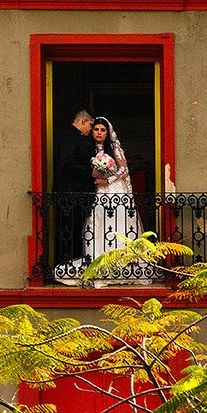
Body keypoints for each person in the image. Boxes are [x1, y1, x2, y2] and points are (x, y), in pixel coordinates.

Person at [53, 112, 160, 286]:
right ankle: (97, 262)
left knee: (117, 224)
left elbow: (124, 169)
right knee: (97, 225)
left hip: (113, 190)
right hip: (97, 191)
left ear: (108, 132)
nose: (99, 133)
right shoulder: (88, 147)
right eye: (96, 129)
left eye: (102, 130)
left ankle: (122, 264)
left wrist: (107, 180)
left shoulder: (113, 147)